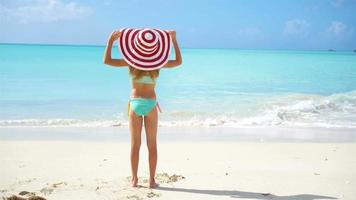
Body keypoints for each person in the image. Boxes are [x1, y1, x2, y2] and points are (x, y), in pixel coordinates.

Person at [103, 29, 182, 188]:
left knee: (135, 144)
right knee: (152, 145)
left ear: (136, 48)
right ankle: (152, 181)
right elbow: (178, 62)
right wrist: (173, 40)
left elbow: (107, 60)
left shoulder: (131, 62)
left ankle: (134, 179)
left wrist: (111, 41)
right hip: (151, 104)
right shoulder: (158, 64)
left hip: (135, 103)